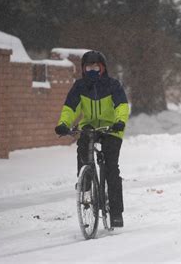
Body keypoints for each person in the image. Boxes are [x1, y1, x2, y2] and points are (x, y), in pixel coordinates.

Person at [55, 50, 129, 227]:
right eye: (89, 66)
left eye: (96, 66)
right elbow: (70, 108)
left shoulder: (113, 85)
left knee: (111, 168)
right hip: (90, 126)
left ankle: (116, 212)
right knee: (83, 150)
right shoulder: (80, 87)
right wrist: (63, 123)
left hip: (112, 128)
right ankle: (85, 187)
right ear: (83, 69)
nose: (92, 69)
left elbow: (122, 106)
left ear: (102, 67)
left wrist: (119, 121)